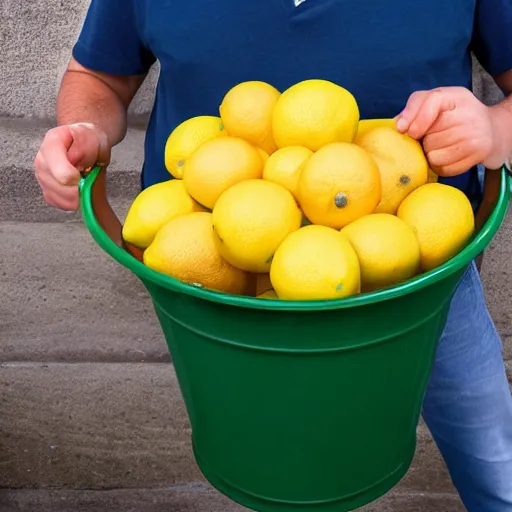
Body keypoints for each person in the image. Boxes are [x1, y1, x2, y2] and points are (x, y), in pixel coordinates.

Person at [34, 1, 512, 510]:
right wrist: (84, 130)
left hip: (420, 274)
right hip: (220, 280)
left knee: (493, 458)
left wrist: (498, 129)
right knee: (273, 467)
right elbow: (99, 79)